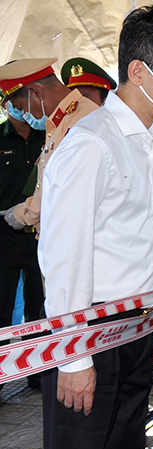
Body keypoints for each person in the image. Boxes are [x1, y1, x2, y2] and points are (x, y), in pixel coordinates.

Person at [36, 6, 153, 449]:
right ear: (139, 71)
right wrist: (73, 358)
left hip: (135, 326)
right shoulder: (92, 144)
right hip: (90, 329)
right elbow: (65, 258)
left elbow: (145, 238)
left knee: (125, 444)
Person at [0, 58, 99, 236]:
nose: (25, 114)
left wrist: (23, 214)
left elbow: (63, 189)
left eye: (21, 107)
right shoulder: (62, 121)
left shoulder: (80, 122)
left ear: (36, 93)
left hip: (76, 237)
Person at [0, 100, 45, 390]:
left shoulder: (49, 135)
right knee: (1, 308)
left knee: (40, 305)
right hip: (4, 236)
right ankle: (3, 374)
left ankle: (39, 372)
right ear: (5, 106)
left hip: (41, 234)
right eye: (13, 102)